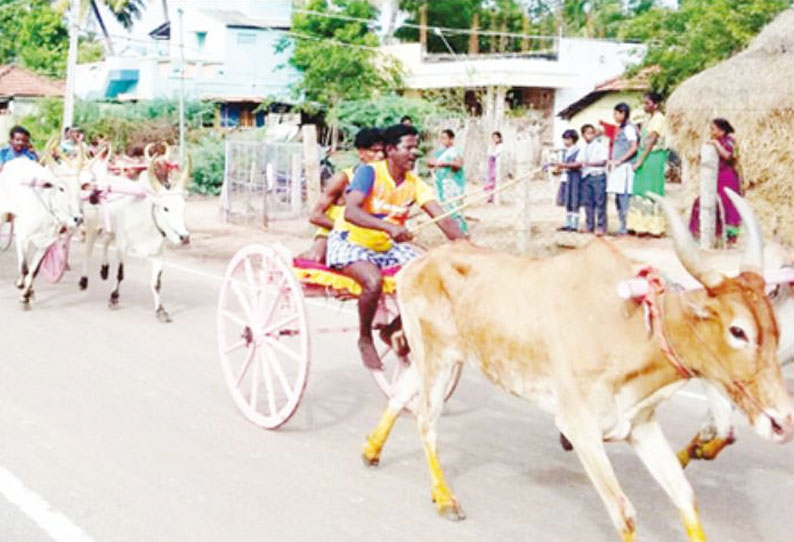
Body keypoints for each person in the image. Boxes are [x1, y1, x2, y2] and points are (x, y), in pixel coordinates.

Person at [326, 124, 467, 370]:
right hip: (351, 241)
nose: (415, 153)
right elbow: (351, 211)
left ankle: (393, 331)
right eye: (409, 147)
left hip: (385, 247)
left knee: (431, 279)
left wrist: (466, 244)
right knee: (373, 282)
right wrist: (390, 228)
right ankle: (365, 338)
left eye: (417, 148)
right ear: (391, 150)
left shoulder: (415, 183)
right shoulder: (369, 172)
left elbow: (442, 217)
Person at [297, 127, 385, 263]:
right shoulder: (343, 178)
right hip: (332, 233)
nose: (380, 156)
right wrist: (344, 229)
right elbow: (315, 216)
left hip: (371, 237)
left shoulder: (386, 182)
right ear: (361, 153)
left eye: (383, 151)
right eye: (374, 151)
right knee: (316, 258)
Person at [689, 118, 743, 244]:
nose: (711, 132)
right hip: (714, 178)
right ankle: (705, 233)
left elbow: (728, 156)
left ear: (722, 131)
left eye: (713, 129)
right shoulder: (713, 141)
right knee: (706, 202)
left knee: (728, 205)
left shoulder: (730, 142)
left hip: (728, 178)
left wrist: (716, 145)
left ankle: (731, 237)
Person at [627, 91, 667, 236]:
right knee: (640, 190)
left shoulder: (659, 119)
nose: (645, 106)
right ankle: (640, 225)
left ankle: (654, 226)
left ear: (655, 105)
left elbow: (651, 142)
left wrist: (639, 161)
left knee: (651, 190)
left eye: (647, 103)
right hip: (645, 156)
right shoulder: (648, 118)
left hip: (652, 157)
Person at [607, 102, 639, 235]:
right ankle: (622, 225)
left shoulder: (629, 129)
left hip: (625, 167)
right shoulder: (620, 128)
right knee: (618, 198)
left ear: (622, 114)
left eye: (616, 113)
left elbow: (633, 147)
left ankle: (625, 227)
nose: (614, 116)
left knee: (624, 198)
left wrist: (621, 160)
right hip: (617, 168)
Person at [427, 129, 468, 234]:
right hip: (442, 185)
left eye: (444, 138)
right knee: (446, 210)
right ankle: (454, 233)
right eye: (441, 138)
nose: (442, 140)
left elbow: (458, 164)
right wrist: (434, 163)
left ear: (451, 139)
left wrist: (443, 164)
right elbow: (431, 162)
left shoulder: (455, 152)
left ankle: (462, 233)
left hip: (452, 185)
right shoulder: (440, 152)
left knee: (454, 209)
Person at [579, 124, 609, 236]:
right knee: (588, 203)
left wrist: (588, 164)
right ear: (583, 135)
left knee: (600, 202)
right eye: (587, 133)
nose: (590, 135)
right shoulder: (583, 148)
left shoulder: (600, 146)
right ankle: (589, 225)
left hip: (598, 176)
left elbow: (603, 161)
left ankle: (601, 226)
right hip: (586, 177)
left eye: (592, 133)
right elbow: (579, 161)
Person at [554, 129, 582, 231]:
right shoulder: (564, 152)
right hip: (565, 177)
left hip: (574, 178)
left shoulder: (578, 151)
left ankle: (574, 224)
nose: (565, 142)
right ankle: (568, 223)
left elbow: (578, 164)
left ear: (573, 139)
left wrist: (564, 166)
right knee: (567, 201)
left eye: (567, 139)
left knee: (574, 200)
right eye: (564, 139)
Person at [485, 131, 503, 203]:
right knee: (489, 180)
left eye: (496, 137)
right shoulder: (490, 147)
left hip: (497, 165)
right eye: (493, 138)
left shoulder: (500, 146)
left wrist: (493, 150)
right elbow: (489, 154)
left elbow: (496, 154)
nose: (494, 139)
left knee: (496, 181)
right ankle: (489, 197)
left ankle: (496, 197)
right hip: (490, 166)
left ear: (499, 138)